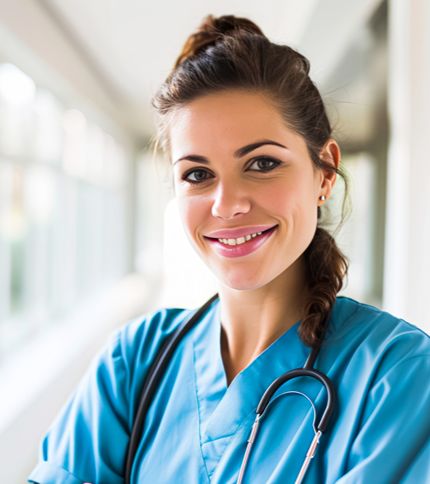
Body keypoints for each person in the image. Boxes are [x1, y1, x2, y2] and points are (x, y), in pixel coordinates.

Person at [28, 14, 430, 484]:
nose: (228, 204)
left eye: (262, 163)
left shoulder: (398, 375)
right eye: (197, 174)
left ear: (324, 172)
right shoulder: (134, 363)